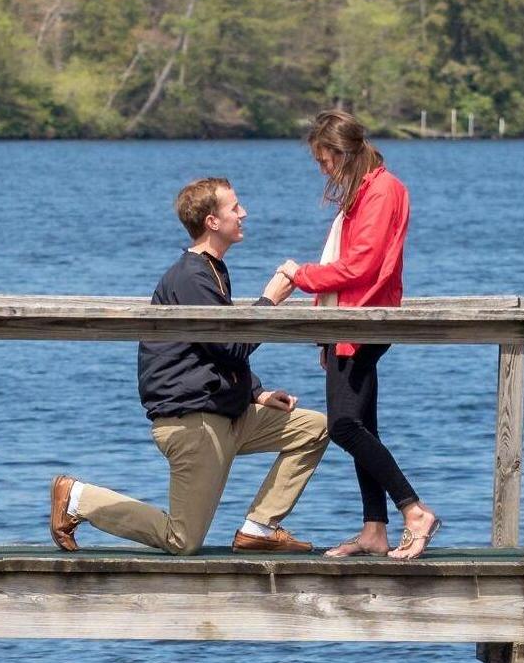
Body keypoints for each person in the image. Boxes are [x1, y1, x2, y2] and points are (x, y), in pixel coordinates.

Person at [51, 177, 326, 556]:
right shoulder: (191, 276)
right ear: (213, 221)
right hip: (193, 422)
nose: (243, 213)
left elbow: (210, 352)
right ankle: (78, 498)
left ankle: (260, 527)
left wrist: (256, 392)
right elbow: (231, 346)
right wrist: (269, 302)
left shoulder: (212, 270)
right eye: (234, 208)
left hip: (226, 414)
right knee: (182, 541)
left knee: (314, 428)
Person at [275, 110, 441, 560]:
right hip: (348, 320)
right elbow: (352, 263)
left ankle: (413, 509)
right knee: (362, 425)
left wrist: (300, 275)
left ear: (341, 152)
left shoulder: (382, 191)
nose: (322, 169)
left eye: (323, 160)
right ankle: (374, 530)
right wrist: (324, 332)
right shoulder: (367, 190)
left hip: (363, 320)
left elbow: (362, 265)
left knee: (344, 426)